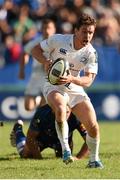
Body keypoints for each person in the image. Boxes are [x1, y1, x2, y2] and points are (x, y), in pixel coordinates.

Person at [31, 13, 103, 168]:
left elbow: (89, 80)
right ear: (75, 31)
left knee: (93, 126)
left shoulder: (91, 53)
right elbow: (35, 50)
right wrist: (45, 61)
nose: (88, 35)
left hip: (74, 85)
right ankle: (66, 150)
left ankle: (94, 160)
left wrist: (72, 79)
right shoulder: (58, 40)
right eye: (84, 31)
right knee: (61, 108)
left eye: (91, 32)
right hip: (53, 83)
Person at [10, 104, 89, 159]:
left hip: (61, 142)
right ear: (53, 109)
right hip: (41, 139)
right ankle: (18, 129)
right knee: (26, 155)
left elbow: (89, 139)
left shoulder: (77, 117)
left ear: (71, 110)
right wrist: (38, 159)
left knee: (63, 159)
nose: (64, 115)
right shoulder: (42, 114)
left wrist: (78, 157)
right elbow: (31, 138)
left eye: (67, 112)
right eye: (60, 112)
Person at [18, 18, 56, 111]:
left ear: (54, 29)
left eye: (49, 28)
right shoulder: (36, 42)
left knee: (44, 107)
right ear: (41, 29)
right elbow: (24, 52)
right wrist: (22, 70)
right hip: (36, 75)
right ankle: (38, 100)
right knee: (28, 107)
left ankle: (41, 111)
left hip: (50, 77)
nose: (46, 31)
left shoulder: (58, 42)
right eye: (44, 28)